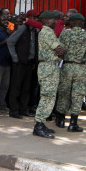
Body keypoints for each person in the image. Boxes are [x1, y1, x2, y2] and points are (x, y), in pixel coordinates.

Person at [55, 14, 86, 132]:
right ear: (82, 23)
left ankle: (60, 119)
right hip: (81, 68)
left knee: (64, 92)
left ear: (72, 23)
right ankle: (73, 123)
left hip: (67, 66)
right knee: (78, 95)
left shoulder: (65, 33)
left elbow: (59, 51)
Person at [33, 11, 65, 139]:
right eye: (53, 19)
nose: (55, 21)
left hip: (50, 66)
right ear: (46, 20)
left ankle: (42, 122)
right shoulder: (47, 32)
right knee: (47, 95)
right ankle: (39, 124)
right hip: (48, 67)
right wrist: (65, 50)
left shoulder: (47, 31)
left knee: (49, 95)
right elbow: (59, 50)